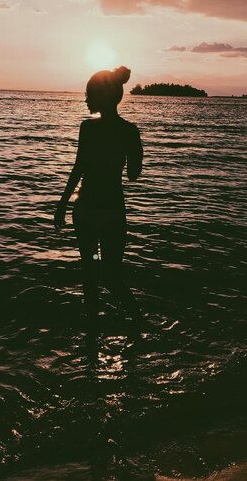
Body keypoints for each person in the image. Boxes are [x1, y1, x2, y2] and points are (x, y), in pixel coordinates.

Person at [54, 66, 144, 335]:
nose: (86, 100)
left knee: (90, 276)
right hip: (112, 213)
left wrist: (62, 204)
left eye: (89, 94)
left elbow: (78, 168)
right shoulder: (128, 131)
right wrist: (136, 151)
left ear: (102, 97)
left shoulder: (88, 129)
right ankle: (139, 324)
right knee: (112, 277)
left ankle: (93, 336)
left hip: (85, 212)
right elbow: (133, 176)